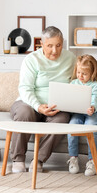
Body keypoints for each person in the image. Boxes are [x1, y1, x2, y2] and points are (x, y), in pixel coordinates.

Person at [10, 26, 76, 173]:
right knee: (24, 114)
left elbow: (76, 83)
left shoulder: (70, 58)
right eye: (50, 46)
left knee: (62, 119)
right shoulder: (32, 59)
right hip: (28, 103)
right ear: (42, 43)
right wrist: (38, 106)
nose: (54, 50)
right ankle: (18, 159)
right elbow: (25, 88)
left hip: (56, 106)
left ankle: (38, 160)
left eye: (58, 45)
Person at [66, 55, 97, 176]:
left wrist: (92, 107)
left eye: (84, 73)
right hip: (79, 112)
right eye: (79, 72)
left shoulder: (96, 85)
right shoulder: (73, 83)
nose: (80, 76)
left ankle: (92, 161)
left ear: (92, 73)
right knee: (72, 127)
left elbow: (95, 99)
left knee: (90, 128)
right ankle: (73, 158)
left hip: (93, 111)